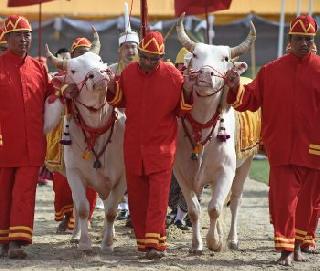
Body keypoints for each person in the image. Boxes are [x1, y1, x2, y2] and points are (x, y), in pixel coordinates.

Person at [225, 15, 320, 266]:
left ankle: (298, 245)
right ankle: (286, 249)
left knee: (307, 203)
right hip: (280, 149)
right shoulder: (271, 70)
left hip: (314, 150)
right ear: (290, 40)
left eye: (308, 40)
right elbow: (249, 99)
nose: (303, 44)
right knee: (283, 200)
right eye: (298, 39)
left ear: (313, 41)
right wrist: (235, 86)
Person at [106, 31, 193, 259]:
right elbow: (118, 100)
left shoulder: (173, 75)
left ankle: (155, 244)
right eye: (144, 57)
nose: (146, 62)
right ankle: (146, 242)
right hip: (133, 146)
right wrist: (110, 84)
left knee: (158, 198)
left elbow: (183, 110)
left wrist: (187, 89)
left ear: (161, 57)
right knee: (137, 199)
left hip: (162, 147)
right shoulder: (128, 72)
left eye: (153, 59)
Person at [0, 15, 53, 259]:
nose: (24, 39)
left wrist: (67, 89)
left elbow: (53, 94)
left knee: (24, 193)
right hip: (3, 142)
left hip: (32, 144)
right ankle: (3, 240)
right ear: (7, 38)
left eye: (27, 34)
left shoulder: (39, 67)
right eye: (19, 35)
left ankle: (17, 243)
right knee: (2, 193)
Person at [45, 40, 97, 234]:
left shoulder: (96, 75)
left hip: (91, 138)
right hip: (63, 137)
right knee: (62, 183)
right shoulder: (62, 76)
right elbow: (52, 89)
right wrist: (66, 90)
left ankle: (85, 218)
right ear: (73, 55)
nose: (83, 57)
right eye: (79, 53)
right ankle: (68, 216)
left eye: (87, 52)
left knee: (89, 177)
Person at [109, 6, 139, 221]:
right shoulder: (111, 70)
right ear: (120, 49)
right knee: (117, 164)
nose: (131, 51)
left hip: (140, 124)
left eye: (134, 47)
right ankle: (122, 204)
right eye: (127, 47)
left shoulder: (145, 70)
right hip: (116, 125)